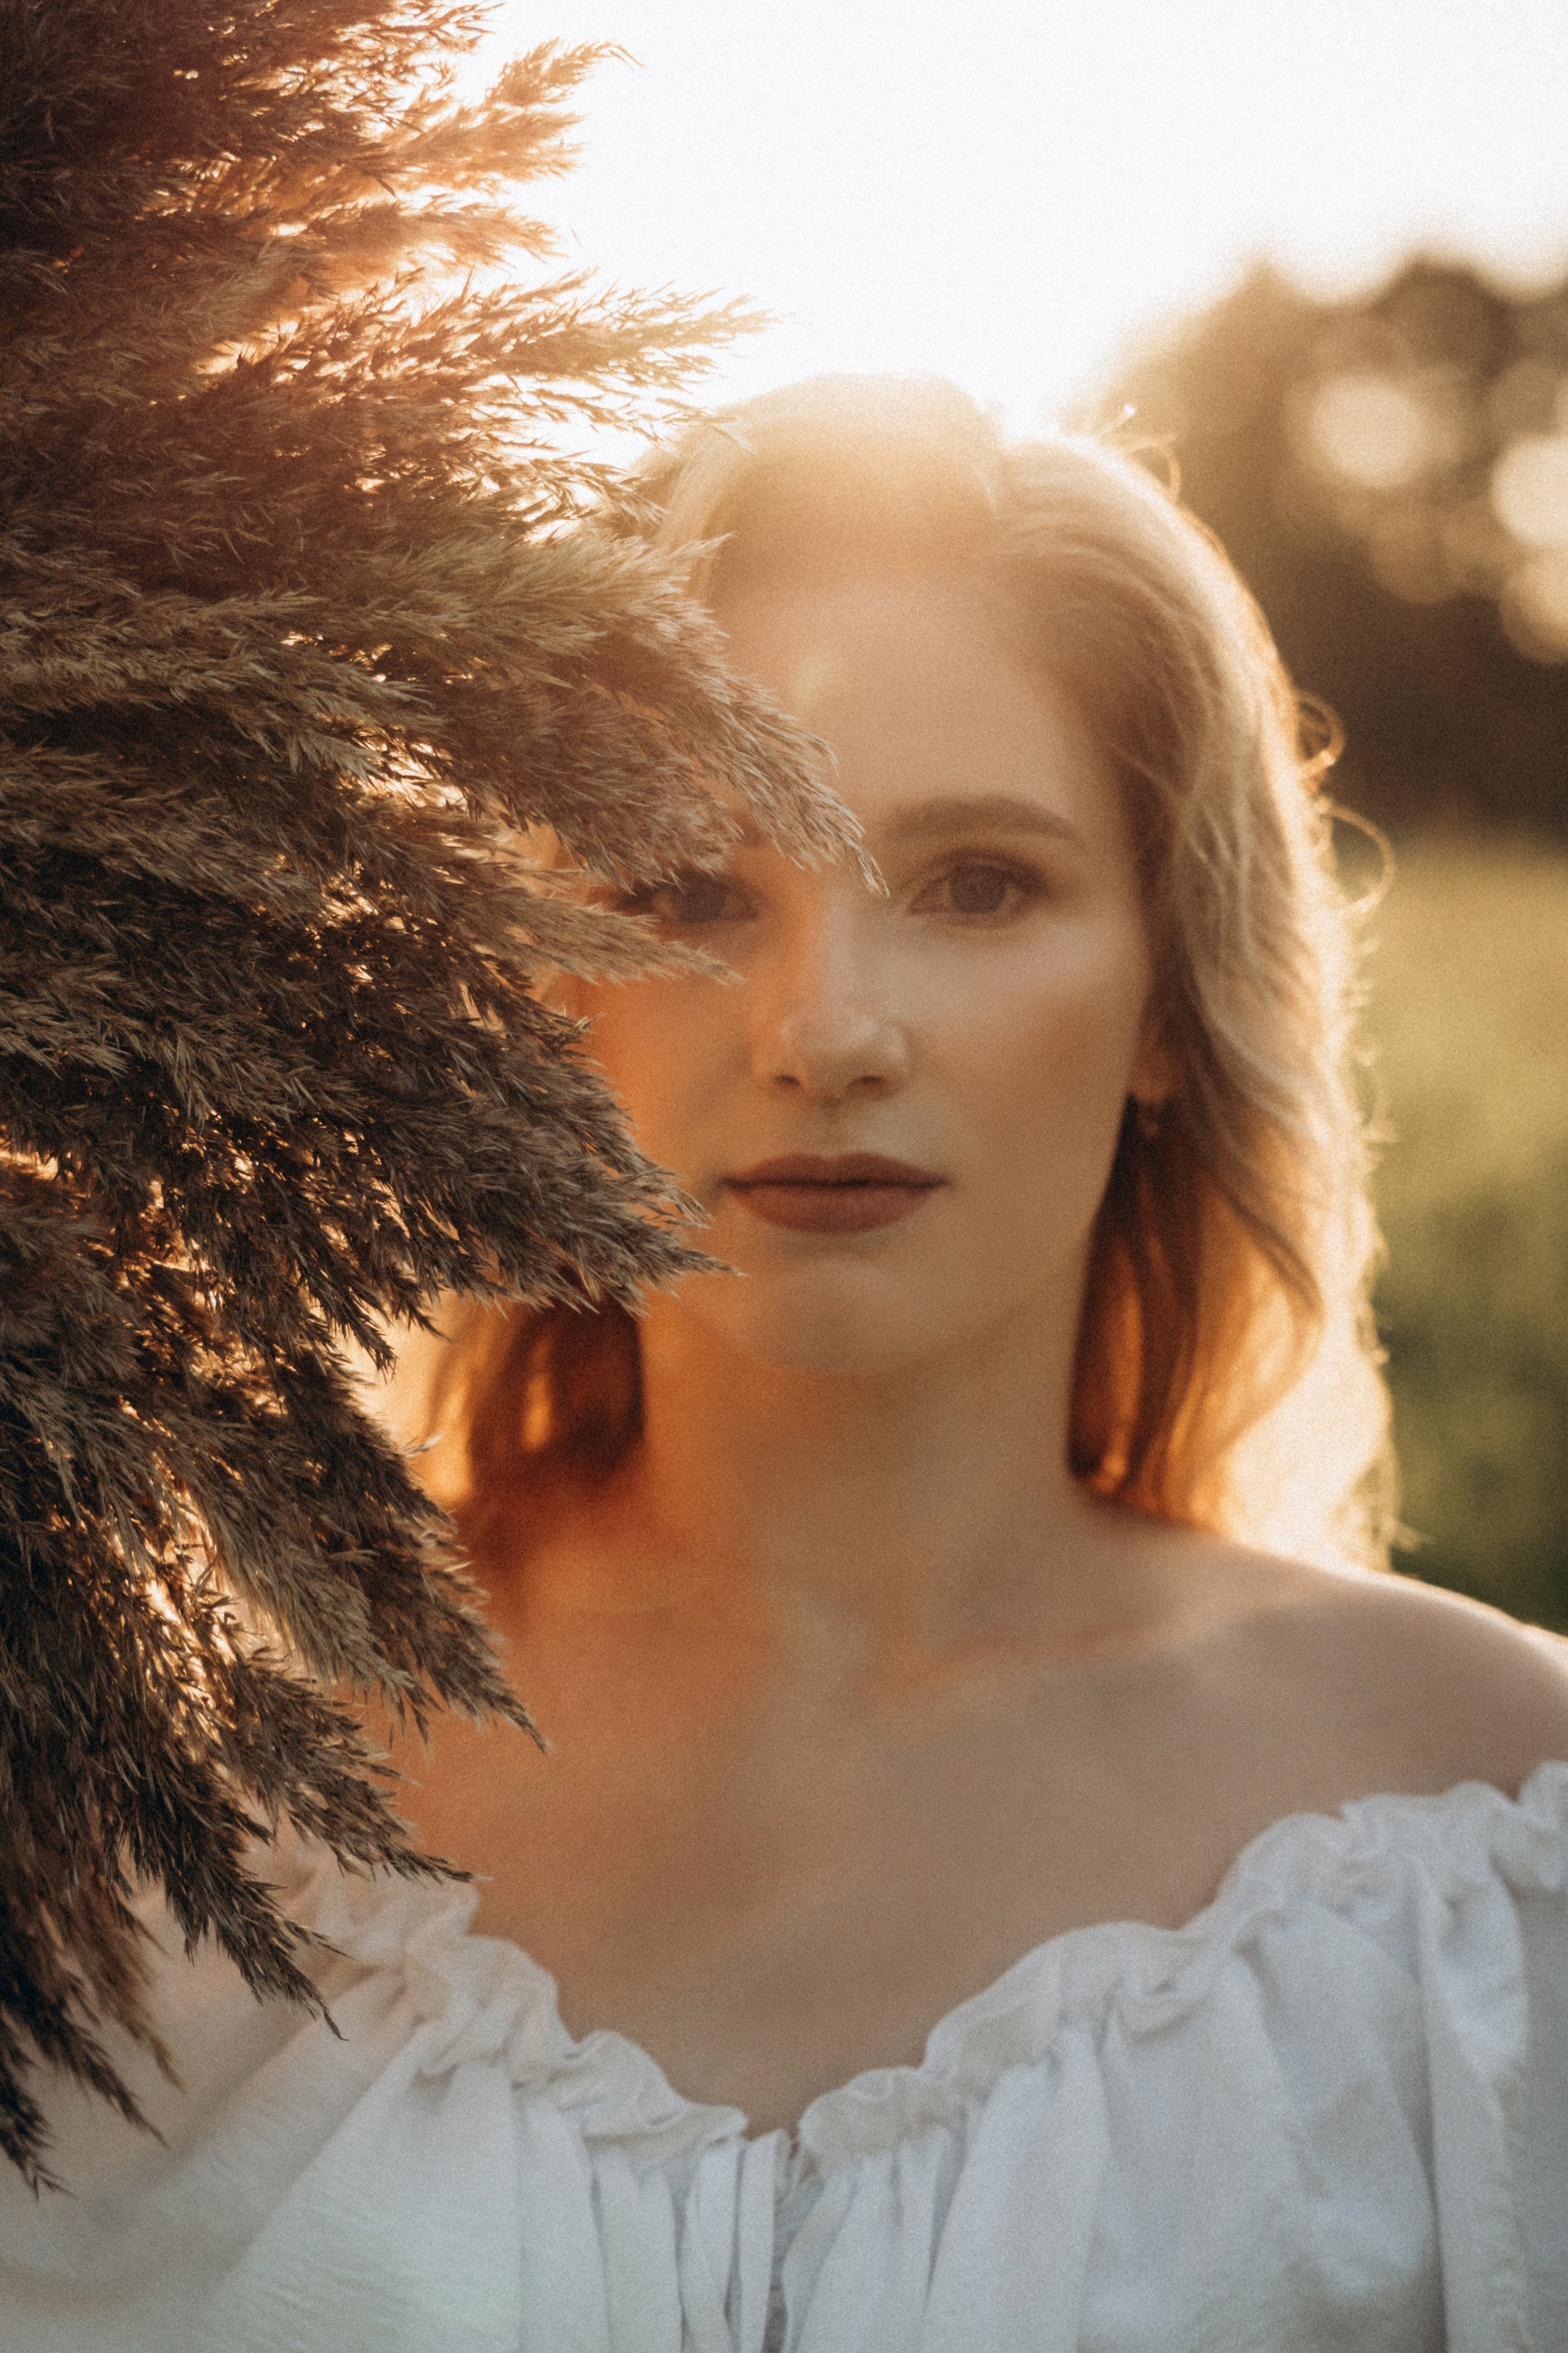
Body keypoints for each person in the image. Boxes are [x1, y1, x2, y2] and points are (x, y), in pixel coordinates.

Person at [2, 374, 1566, 2351]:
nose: (828, 1029)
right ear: (538, 986)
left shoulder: (1490, 1839)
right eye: (691, 893)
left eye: (977, 884)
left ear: (1171, 998)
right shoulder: (157, 1760)